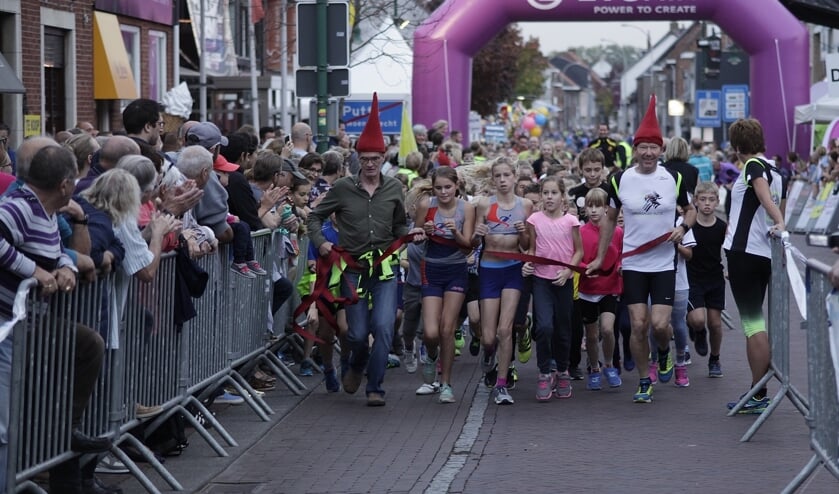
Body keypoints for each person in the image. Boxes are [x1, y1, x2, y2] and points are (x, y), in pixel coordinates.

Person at [0, 146, 116, 494]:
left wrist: (63, 266)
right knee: (4, 424)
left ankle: (63, 430)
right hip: (6, 326)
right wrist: (33, 270)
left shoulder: (48, 212)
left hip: (30, 323)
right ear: (66, 184)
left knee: (86, 343)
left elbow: (55, 252)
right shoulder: (17, 208)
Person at [307, 93, 425, 407]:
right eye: (366, 159)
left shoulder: (394, 188)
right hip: (352, 268)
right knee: (356, 334)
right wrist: (321, 243)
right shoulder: (343, 188)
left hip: (384, 267)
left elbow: (399, 225)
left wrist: (410, 234)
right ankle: (356, 364)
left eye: (376, 158)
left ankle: (375, 387)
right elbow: (314, 216)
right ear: (358, 158)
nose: (371, 164)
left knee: (385, 327)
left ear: (384, 156)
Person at [586, 95, 695, 404]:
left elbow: (690, 211)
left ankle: (664, 352)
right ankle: (644, 381)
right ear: (634, 151)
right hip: (633, 262)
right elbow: (608, 220)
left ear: (661, 150)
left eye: (653, 147)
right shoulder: (619, 180)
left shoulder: (672, 178)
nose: (648, 153)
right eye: (642, 147)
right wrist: (599, 257)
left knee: (660, 325)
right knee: (638, 324)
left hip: (663, 262)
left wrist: (683, 228)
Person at [723, 118, 785, 414]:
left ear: (737, 146)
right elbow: (776, 201)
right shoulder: (778, 171)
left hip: (744, 254)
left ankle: (758, 395)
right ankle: (757, 391)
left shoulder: (752, 167)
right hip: (762, 255)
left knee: (752, 324)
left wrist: (779, 222)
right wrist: (779, 221)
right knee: (755, 323)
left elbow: (762, 193)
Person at [414, 166, 475, 404]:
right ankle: (430, 356)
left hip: (456, 269)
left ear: (456, 186)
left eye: (448, 187)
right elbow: (415, 238)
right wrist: (424, 231)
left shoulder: (466, 208)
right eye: (438, 188)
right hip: (431, 267)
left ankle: (446, 383)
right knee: (430, 332)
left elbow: (468, 246)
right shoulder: (425, 206)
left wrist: (456, 232)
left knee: (447, 329)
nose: (443, 192)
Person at [474, 157, 533, 405]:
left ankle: (501, 384)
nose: (502, 180)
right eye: (497, 176)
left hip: (512, 270)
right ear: (492, 179)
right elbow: (474, 243)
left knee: (504, 330)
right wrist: (478, 235)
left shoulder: (526, 205)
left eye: (506, 175)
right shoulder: (484, 205)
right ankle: (490, 356)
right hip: (489, 270)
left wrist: (522, 232)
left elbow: (528, 245)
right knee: (488, 337)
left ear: (514, 177)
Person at [522, 176, 582, 401]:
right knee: (544, 327)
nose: (549, 197)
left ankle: (563, 370)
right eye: (545, 193)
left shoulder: (571, 221)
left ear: (562, 196)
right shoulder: (534, 219)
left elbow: (578, 252)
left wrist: (568, 271)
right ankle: (545, 372)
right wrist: (528, 263)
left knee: (563, 328)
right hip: (541, 280)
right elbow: (531, 248)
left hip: (563, 281)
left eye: (553, 193)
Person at [578, 187, 623, 391]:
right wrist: (581, 268)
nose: (594, 210)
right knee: (592, 334)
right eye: (590, 206)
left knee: (607, 328)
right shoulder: (579, 232)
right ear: (585, 209)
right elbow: (576, 256)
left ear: (607, 208)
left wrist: (621, 266)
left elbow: (623, 254)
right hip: (588, 289)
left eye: (599, 206)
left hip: (610, 287)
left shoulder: (618, 231)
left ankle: (609, 365)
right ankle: (594, 368)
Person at [686, 182, 727, 378]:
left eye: (711, 200)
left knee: (716, 323)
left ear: (718, 202)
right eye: (702, 200)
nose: (707, 204)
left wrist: (732, 270)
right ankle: (698, 331)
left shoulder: (722, 226)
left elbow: (728, 250)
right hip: (693, 277)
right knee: (698, 320)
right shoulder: (690, 225)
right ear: (695, 201)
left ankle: (715, 358)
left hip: (715, 278)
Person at [569, 148, 609, 224]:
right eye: (588, 170)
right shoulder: (573, 193)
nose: (592, 174)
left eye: (597, 170)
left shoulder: (610, 191)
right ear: (580, 169)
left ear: (602, 169)